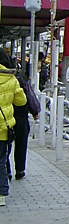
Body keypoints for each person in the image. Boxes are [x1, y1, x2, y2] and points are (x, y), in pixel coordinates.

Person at [0, 48, 28, 207]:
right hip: (3, 128)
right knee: (1, 160)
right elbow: (21, 101)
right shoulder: (11, 79)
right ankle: (1, 194)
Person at [7, 68, 40, 181]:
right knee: (21, 142)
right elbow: (29, 96)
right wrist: (34, 111)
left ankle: (6, 170)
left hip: (5, 116)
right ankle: (20, 170)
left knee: (4, 144)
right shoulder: (21, 79)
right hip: (21, 115)